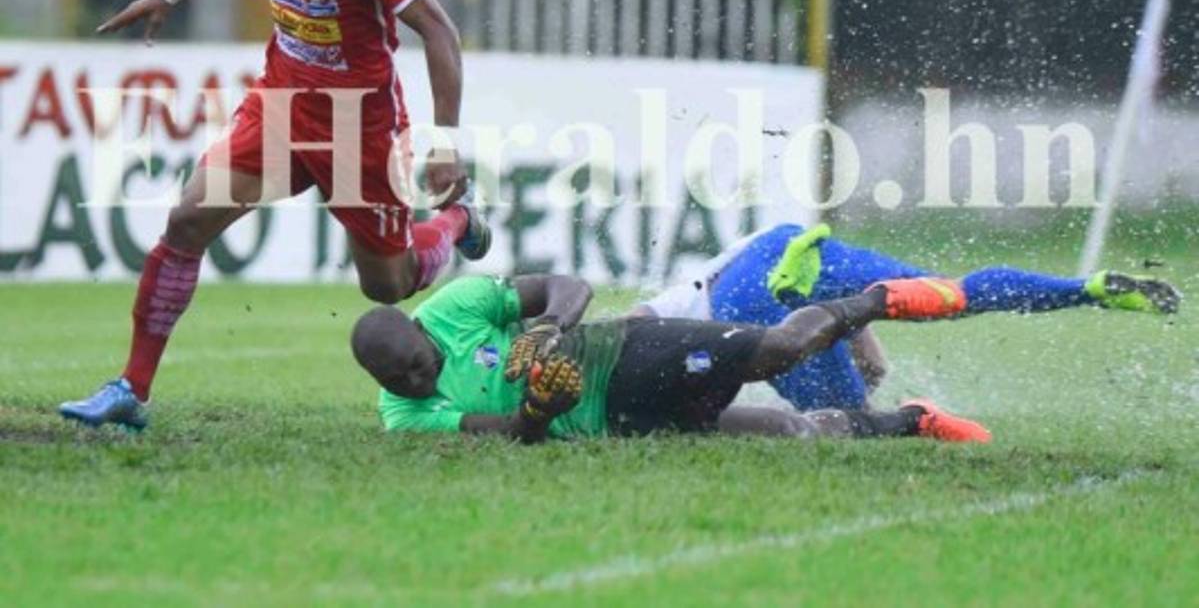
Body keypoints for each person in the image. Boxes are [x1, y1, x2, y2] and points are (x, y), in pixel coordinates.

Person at [60, 0, 490, 431]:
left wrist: (445, 144)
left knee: (387, 286)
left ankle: (458, 220)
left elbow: (439, 31)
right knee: (187, 220)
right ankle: (132, 388)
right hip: (282, 106)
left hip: (357, 127)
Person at [351, 273, 992, 444]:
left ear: (419, 327)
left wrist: (548, 327)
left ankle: (874, 301)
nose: (419, 379)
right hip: (615, 423)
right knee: (791, 432)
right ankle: (914, 420)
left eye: (420, 361)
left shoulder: (454, 306)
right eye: (399, 379)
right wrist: (540, 410)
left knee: (782, 350)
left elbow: (569, 287)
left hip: (620, 355)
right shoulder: (403, 416)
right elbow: (513, 434)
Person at [633, 223, 1181, 413]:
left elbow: (638, 318)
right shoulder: (848, 324)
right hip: (790, 244)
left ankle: (920, 419)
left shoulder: (679, 299)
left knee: (850, 418)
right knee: (953, 294)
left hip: (742, 303)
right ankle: (1085, 288)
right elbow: (871, 362)